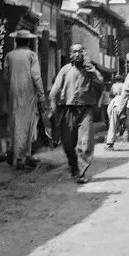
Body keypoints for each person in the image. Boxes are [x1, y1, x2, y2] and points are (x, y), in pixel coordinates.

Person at [49, 43, 103, 183]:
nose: (77, 54)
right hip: (68, 109)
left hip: (86, 110)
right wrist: (53, 107)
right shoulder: (66, 69)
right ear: (70, 54)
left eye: (80, 51)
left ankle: (81, 172)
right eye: (74, 51)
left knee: (85, 143)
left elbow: (100, 81)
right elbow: (54, 90)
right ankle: (74, 167)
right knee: (68, 143)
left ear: (83, 54)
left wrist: (91, 69)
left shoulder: (89, 70)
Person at [3, 29, 46, 170]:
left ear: (16, 41)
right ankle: (23, 156)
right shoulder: (31, 55)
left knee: (15, 123)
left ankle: (15, 151)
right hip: (29, 94)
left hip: (13, 94)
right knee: (28, 125)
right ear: (28, 42)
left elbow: (5, 77)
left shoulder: (9, 56)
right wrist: (42, 96)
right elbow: (36, 77)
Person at [104, 82, 125, 149]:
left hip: (115, 106)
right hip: (124, 105)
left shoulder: (114, 86)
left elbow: (109, 109)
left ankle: (110, 143)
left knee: (112, 125)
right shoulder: (124, 84)